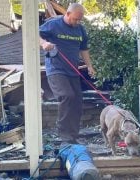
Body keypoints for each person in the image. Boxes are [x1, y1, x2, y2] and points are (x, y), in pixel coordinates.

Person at [39, 3, 95, 143]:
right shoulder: (53, 25)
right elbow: (33, 33)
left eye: (79, 20)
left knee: (77, 101)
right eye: (75, 19)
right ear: (67, 14)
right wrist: (43, 43)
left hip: (73, 71)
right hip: (56, 69)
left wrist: (89, 66)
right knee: (67, 96)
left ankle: (73, 136)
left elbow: (84, 49)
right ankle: (64, 134)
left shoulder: (80, 29)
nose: (77, 22)